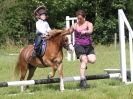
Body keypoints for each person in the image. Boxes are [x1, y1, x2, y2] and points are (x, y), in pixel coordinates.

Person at [69, 10, 96, 88]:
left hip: (88, 46)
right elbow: (69, 32)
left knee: (93, 60)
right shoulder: (74, 25)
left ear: (84, 17)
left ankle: (84, 61)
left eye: (80, 18)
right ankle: (82, 81)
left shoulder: (89, 24)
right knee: (84, 59)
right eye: (78, 18)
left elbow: (91, 31)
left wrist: (86, 31)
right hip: (78, 45)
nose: (79, 20)